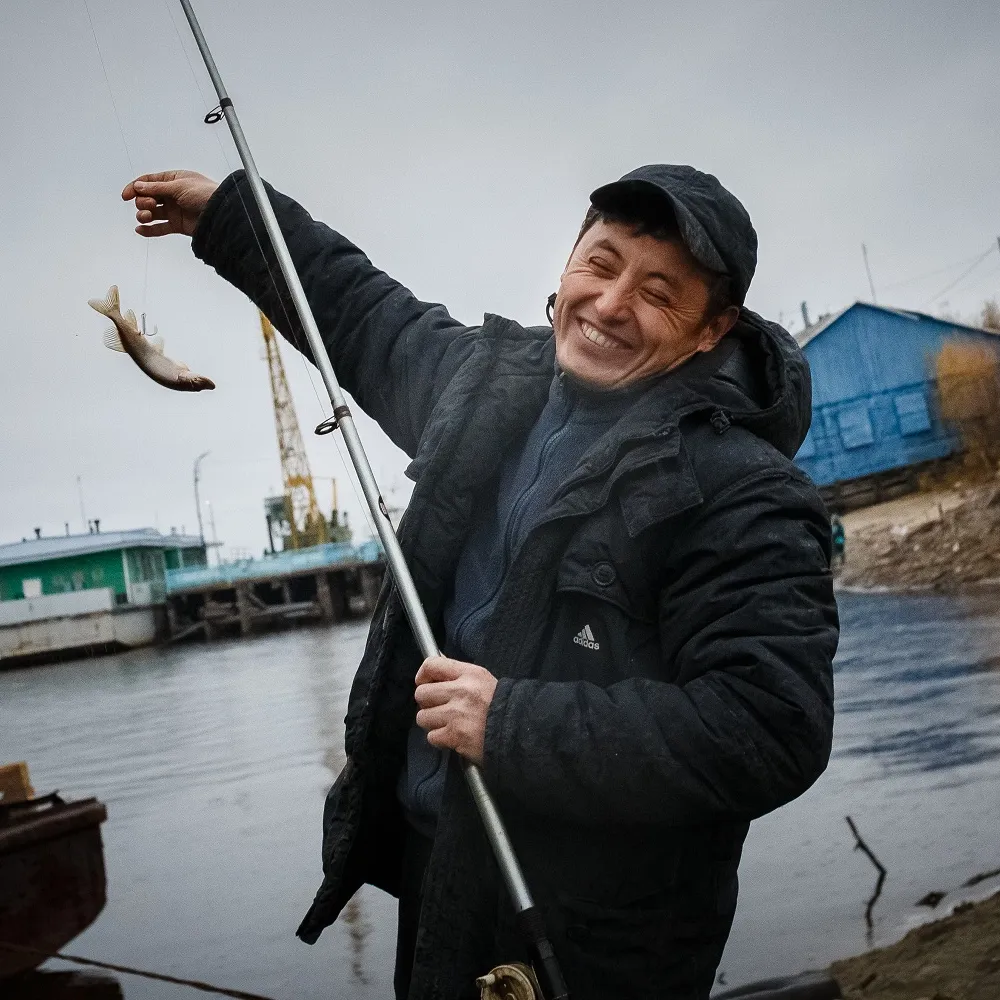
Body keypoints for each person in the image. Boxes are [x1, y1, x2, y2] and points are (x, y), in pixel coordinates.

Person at [122, 164, 839, 1000]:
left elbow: (768, 727)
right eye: (600, 266)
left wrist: (512, 724)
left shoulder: (745, 493)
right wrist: (230, 217)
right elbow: (360, 314)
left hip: (600, 933)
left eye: (659, 292)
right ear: (568, 265)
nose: (611, 306)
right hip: (441, 877)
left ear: (714, 328)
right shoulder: (486, 391)